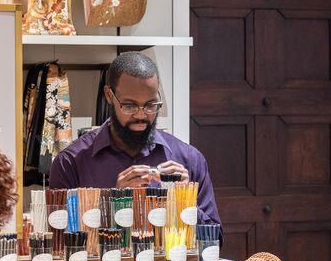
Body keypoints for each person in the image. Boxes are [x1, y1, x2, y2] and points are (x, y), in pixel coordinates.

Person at [49, 51, 221, 225]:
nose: (141, 115)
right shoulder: (71, 163)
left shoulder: (189, 160)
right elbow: (61, 243)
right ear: (109, 95)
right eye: (130, 105)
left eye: (150, 105)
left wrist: (185, 202)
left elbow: (214, 241)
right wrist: (112, 205)